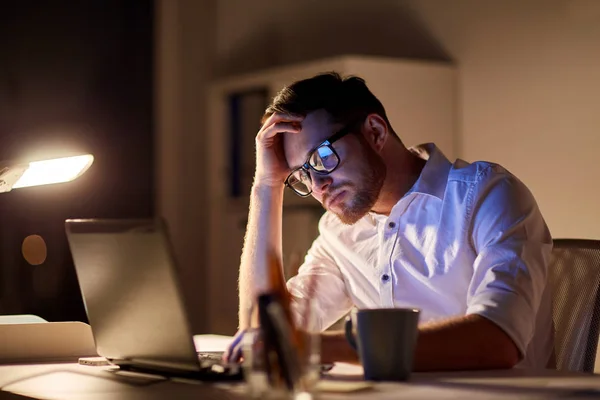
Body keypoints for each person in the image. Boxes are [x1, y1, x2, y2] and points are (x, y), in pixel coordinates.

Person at [225, 72, 554, 371]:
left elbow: (496, 341)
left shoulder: (487, 195)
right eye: (302, 175)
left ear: (375, 132)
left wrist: (315, 347)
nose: (317, 186)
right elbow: (264, 331)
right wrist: (266, 184)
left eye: (322, 158)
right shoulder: (338, 233)